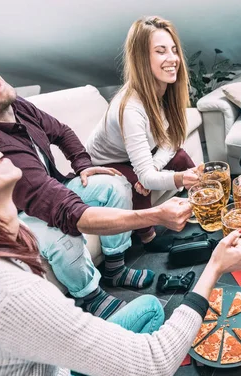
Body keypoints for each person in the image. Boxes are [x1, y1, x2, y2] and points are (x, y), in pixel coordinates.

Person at [0, 113, 241, 376]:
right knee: (154, 354)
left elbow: (46, 345)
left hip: (60, 373)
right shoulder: (4, 293)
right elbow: (157, 362)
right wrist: (214, 267)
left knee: (151, 308)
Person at [0, 35, 195, 320]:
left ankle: (115, 268)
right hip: (17, 217)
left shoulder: (14, 104)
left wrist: (82, 164)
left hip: (52, 187)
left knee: (115, 184)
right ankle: (89, 296)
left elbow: (61, 132)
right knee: (61, 237)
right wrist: (156, 215)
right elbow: (70, 214)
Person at [87, 16, 199, 252]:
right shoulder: (130, 108)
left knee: (180, 158)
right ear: (141, 59)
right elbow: (146, 178)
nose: (173, 59)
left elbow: (172, 139)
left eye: (174, 50)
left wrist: (157, 168)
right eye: (161, 51)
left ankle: (201, 205)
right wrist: (174, 178)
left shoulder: (166, 89)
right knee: (135, 183)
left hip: (136, 152)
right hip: (108, 162)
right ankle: (147, 237)